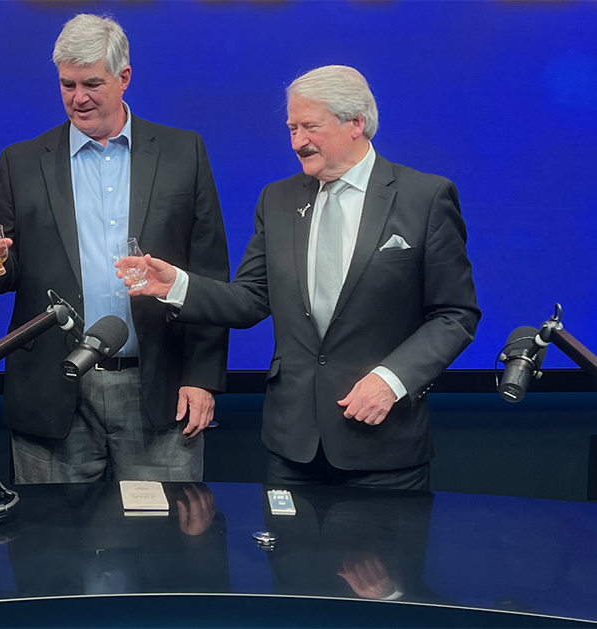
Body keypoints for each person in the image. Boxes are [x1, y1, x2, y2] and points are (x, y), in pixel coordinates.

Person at [118, 65, 480, 490]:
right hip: (292, 445)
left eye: (310, 127)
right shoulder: (278, 199)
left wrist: (392, 379)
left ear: (356, 124)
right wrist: (177, 285)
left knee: (382, 559)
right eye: (291, 128)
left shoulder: (425, 198)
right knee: (291, 559)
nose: (297, 142)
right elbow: (252, 299)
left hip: (383, 445)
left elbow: (455, 314)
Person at [0, 14, 230, 483]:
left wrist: (203, 376)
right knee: (52, 551)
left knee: (166, 551)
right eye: (67, 84)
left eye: (92, 83)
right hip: (52, 393)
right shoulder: (22, 162)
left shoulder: (183, 153)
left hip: (160, 390)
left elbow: (209, 275)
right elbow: (3, 267)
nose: (78, 98)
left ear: (124, 77)